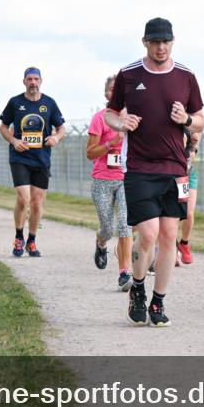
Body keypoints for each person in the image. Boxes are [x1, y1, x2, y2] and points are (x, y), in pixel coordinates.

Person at [105, 17, 204, 327]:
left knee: (170, 236)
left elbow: (200, 118)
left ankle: (158, 302)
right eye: (155, 42)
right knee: (147, 234)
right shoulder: (129, 74)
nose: (161, 47)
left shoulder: (186, 76)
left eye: (166, 42)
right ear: (145, 42)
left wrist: (186, 120)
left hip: (175, 169)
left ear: (172, 42)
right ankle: (137, 288)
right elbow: (110, 112)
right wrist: (122, 124)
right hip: (139, 167)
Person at [0, 67, 66, 257]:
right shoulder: (15, 102)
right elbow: (3, 126)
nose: (33, 82)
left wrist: (56, 138)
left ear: (41, 81)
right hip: (19, 157)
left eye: (36, 79)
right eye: (29, 79)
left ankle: (32, 240)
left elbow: (61, 128)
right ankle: (19, 237)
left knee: (36, 203)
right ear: (24, 82)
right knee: (23, 198)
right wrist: (14, 141)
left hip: (42, 159)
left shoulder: (49, 103)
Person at [87, 75, 133, 291]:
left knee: (125, 225)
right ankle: (101, 242)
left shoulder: (133, 119)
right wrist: (111, 143)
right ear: (107, 94)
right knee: (108, 227)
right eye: (113, 89)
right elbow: (90, 153)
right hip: (102, 179)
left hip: (126, 178)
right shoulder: (100, 119)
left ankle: (125, 272)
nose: (117, 93)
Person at [176, 128, 201, 265]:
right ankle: (172, 247)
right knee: (172, 215)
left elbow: (195, 145)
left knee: (189, 213)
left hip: (188, 175)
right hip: (173, 174)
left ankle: (184, 243)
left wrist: (194, 139)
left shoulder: (192, 123)